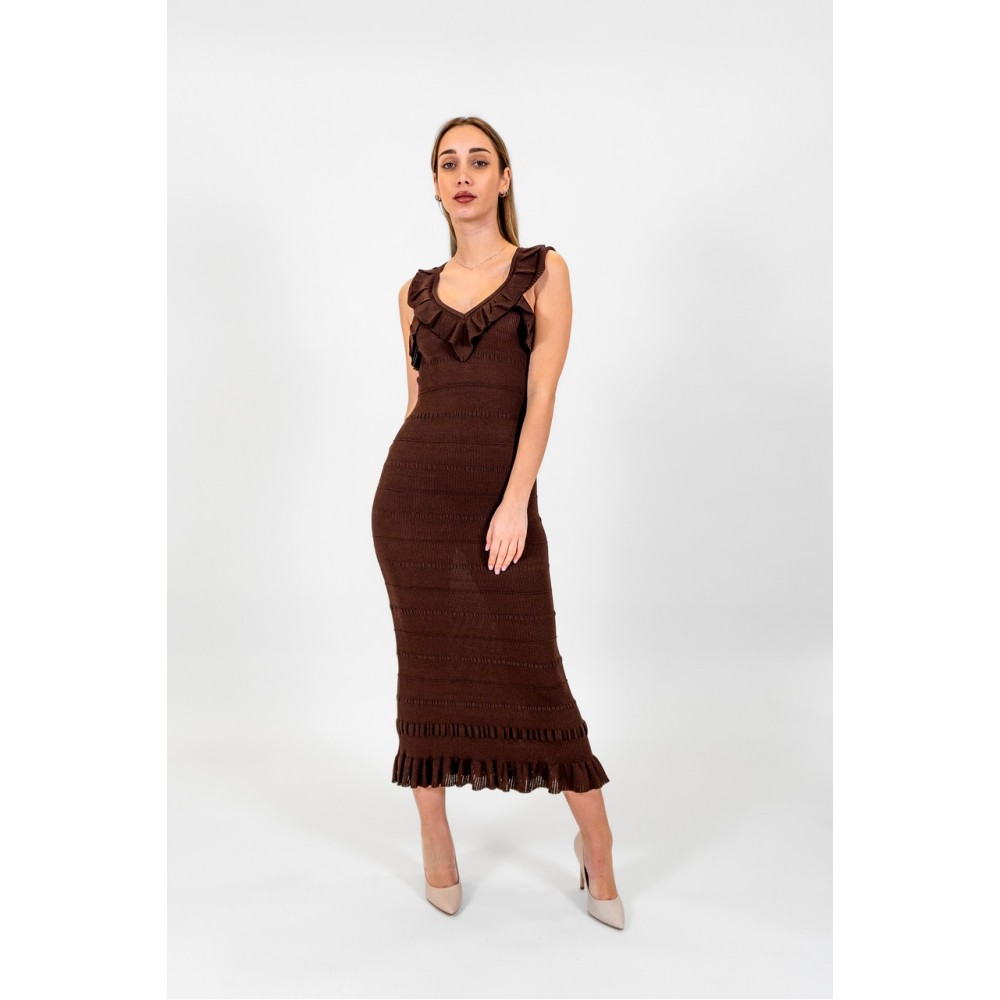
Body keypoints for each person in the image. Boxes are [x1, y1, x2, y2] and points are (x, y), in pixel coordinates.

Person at [371, 116, 624, 929]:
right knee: (425, 668)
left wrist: (515, 500)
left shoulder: (543, 271)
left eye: (479, 161)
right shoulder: (412, 294)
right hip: (413, 505)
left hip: (499, 502)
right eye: (448, 164)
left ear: (504, 178)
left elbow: (541, 394)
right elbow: (416, 404)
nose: (463, 175)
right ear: (435, 185)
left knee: (533, 668)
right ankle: (434, 837)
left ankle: (597, 845)